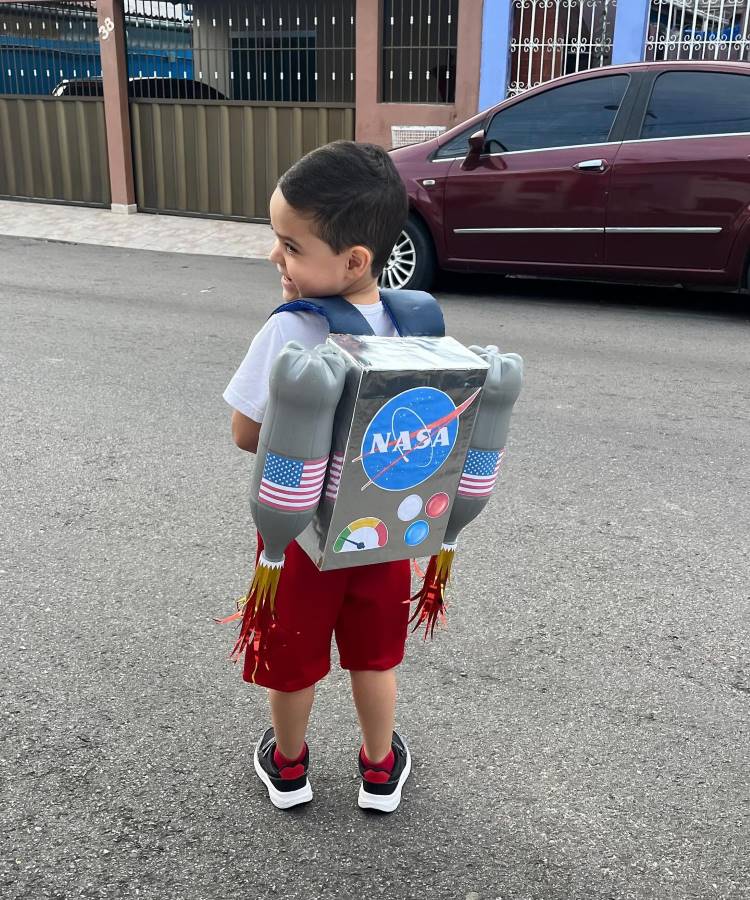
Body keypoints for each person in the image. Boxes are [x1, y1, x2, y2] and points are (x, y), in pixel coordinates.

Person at [223, 141, 443, 813]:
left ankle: (289, 768)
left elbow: (246, 433)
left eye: (290, 246)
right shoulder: (420, 322)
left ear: (352, 260)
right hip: (385, 532)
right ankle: (380, 769)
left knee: (292, 657)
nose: (275, 257)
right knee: (375, 657)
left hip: (301, 539)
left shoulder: (294, 330)